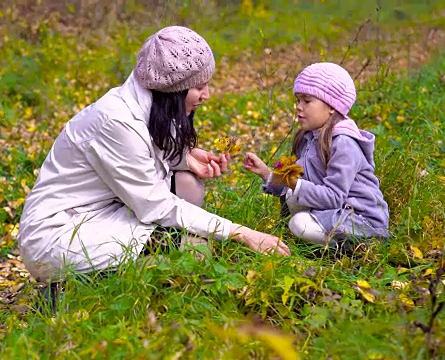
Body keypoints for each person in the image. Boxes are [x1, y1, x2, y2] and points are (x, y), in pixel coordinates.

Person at [17, 26, 290, 283]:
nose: (206, 95)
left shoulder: (151, 102)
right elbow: (155, 204)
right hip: (60, 232)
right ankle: (71, 291)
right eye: (199, 86)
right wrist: (240, 232)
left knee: (187, 185)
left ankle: (123, 272)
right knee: (195, 251)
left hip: (104, 208)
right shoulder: (116, 121)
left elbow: (145, 158)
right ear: (175, 89)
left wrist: (185, 158)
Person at [243, 62, 390, 251]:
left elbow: (333, 197)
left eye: (307, 101)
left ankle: (358, 248)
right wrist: (267, 174)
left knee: (299, 223)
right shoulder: (309, 138)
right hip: (335, 213)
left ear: (331, 106)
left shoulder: (344, 144)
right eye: (297, 100)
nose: (298, 107)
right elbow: (299, 183)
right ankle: (324, 241)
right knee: (293, 200)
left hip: (362, 221)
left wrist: (294, 183)